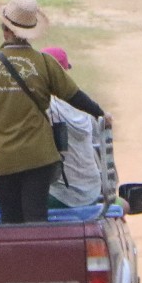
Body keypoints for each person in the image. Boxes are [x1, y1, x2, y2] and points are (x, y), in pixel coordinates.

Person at [0, 0, 106, 224]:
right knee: (36, 219)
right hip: (38, 157)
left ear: (5, 30)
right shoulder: (45, 63)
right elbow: (74, 96)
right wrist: (100, 112)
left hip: (3, 159)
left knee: (10, 220)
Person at [42, 47, 104, 208]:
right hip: (91, 191)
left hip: (56, 194)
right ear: (64, 73)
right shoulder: (84, 107)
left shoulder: (41, 104)